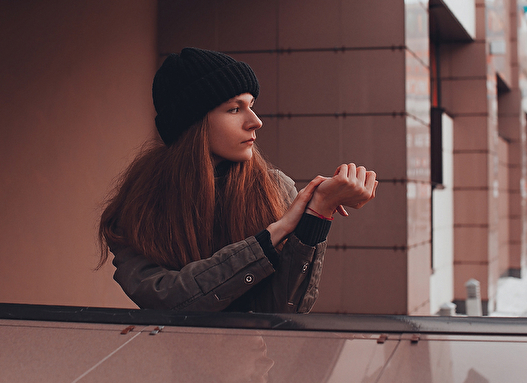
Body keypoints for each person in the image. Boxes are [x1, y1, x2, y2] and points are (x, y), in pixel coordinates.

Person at [97, 48, 377, 312]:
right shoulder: (140, 206)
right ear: (191, 123)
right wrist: (272, 236)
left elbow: (286, 307)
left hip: (256, 350)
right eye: (234, 109)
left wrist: (319, 212)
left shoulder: (275, 189)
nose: (255, 121)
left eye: (251, 105)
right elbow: (165, 299)